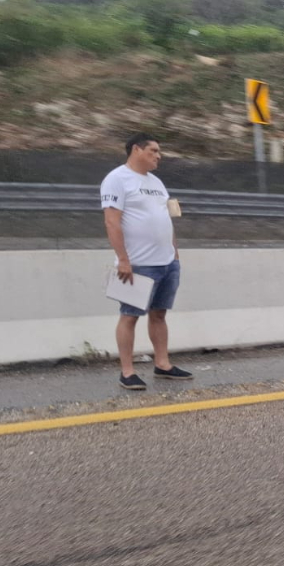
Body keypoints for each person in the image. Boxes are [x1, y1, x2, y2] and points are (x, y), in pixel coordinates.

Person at [100, 132, 194, 390]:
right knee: (129, 316)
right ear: (136, 150)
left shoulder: (156, 182)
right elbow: (112, 221)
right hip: (138, 263)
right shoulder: (116, 179)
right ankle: (127, 372)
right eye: (153, 151)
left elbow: (167, 216)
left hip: (166, 261)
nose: (158, 156)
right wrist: (123, 259)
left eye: (158, 152)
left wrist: (174, 252)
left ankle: (162, 364)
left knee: (159, 314)